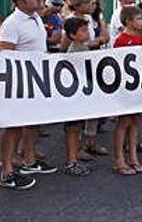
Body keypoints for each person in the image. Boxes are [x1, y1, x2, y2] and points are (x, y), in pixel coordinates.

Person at [0, 0, 52, 190]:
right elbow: (5, 55)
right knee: (13, 127)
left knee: (33, 122)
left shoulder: (36, 17)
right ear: (20, 2)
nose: (38, 0)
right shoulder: (12, 24)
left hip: (38, 79)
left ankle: (30, 160)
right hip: (19, 82)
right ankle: (7, 170)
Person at [110, 6, 142, 175]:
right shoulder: (121, 40)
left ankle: (133, 156)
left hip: (139, 85)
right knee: (124, 122)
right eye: (139, 19)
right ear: (128, 21)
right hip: (126, 87)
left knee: (135, 121)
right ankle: (119, 159)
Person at [60, 17, 93, 177]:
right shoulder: (74, 51)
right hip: (75, 94)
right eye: (83, 30)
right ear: (73, 35)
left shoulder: (84, 48)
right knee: (72, 128)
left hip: (81, 93)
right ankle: (71, 161)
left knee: (77, 127)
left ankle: (75, 156)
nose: (87, 33)